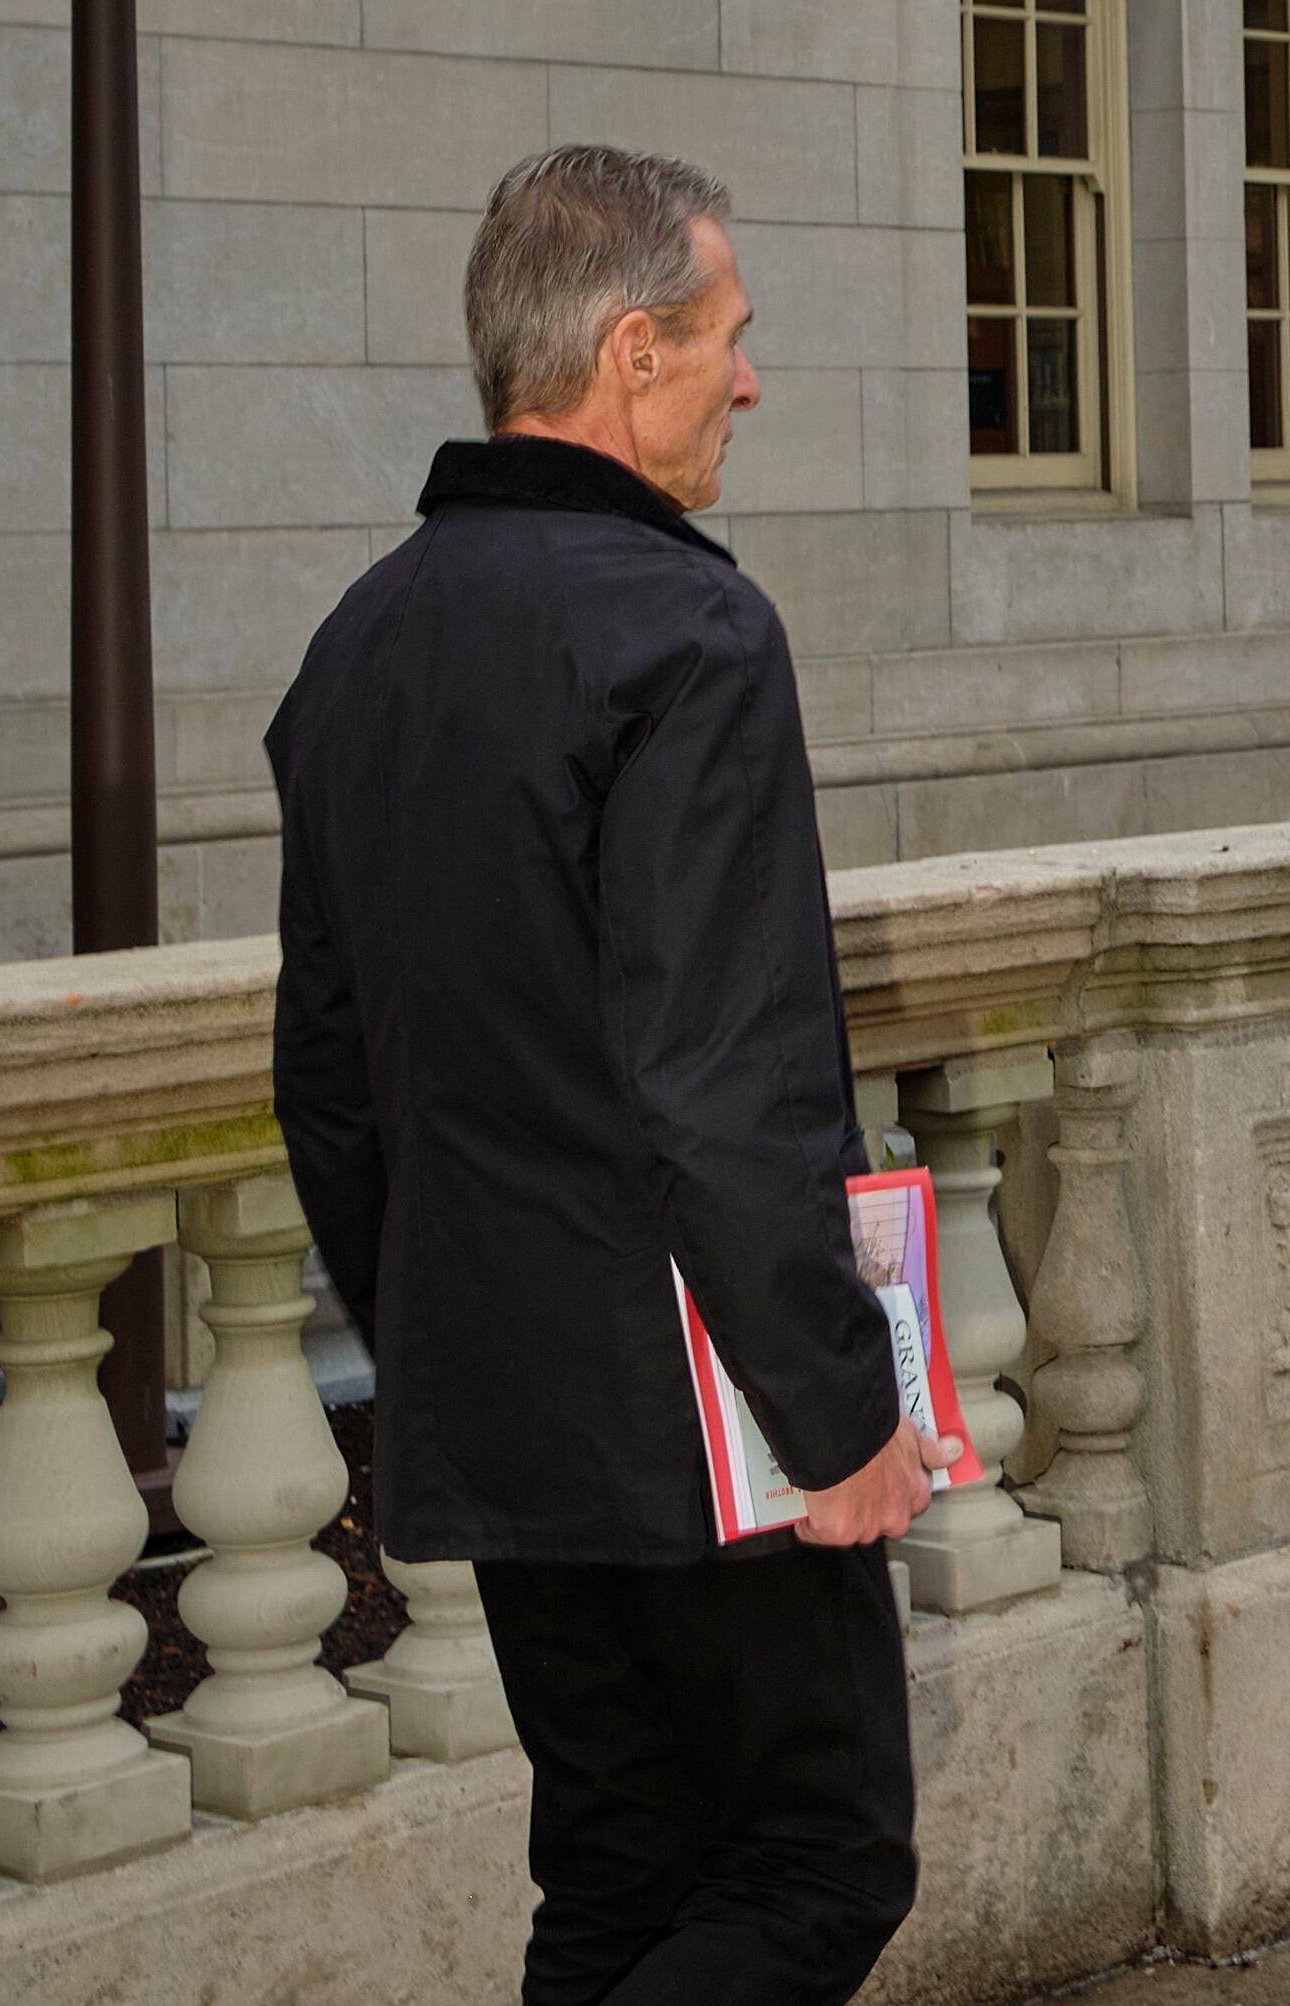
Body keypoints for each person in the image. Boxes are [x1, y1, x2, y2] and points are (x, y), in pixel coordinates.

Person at [270, 144, 933, 2005]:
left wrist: (447, 1331)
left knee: (623, 1866)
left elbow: (326, 1084)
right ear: (633, 350)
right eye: (727, 337)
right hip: (698, 1411)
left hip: (498, 1400)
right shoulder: (692, 635)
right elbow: (719, 1093)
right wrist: (839, 1410)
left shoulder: (355, 648)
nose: (749, 379)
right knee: (817, 1858)